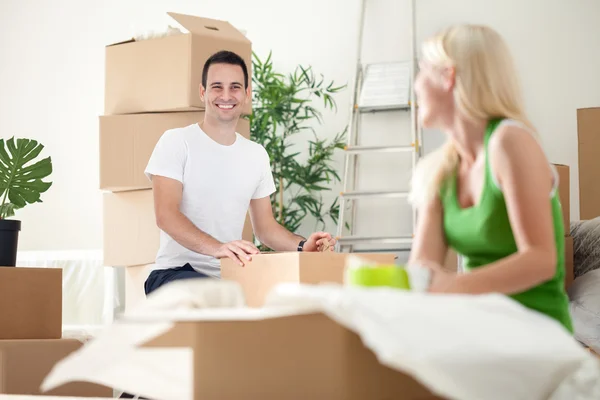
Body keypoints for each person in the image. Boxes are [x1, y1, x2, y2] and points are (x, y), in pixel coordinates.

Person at [407, 24, 573, 332]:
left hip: (536, 333)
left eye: (422, 71)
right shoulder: (439, 171)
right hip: (481, 329)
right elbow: (422, 271)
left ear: (449, 76)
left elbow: (541, 259)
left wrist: (453, 286)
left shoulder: (509, 142)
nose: (416, 86)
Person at [142, 50, 336, 296]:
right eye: (216, 87)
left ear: (246, 95)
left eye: (234, 87)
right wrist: (218, 248)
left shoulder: (256, 155)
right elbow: (165, 215)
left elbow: (265, 229)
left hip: (232, 276)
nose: (225, 95)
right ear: (202, 92)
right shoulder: (176, 142)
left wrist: (301, 246)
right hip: (174, 274)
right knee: (226, 296)